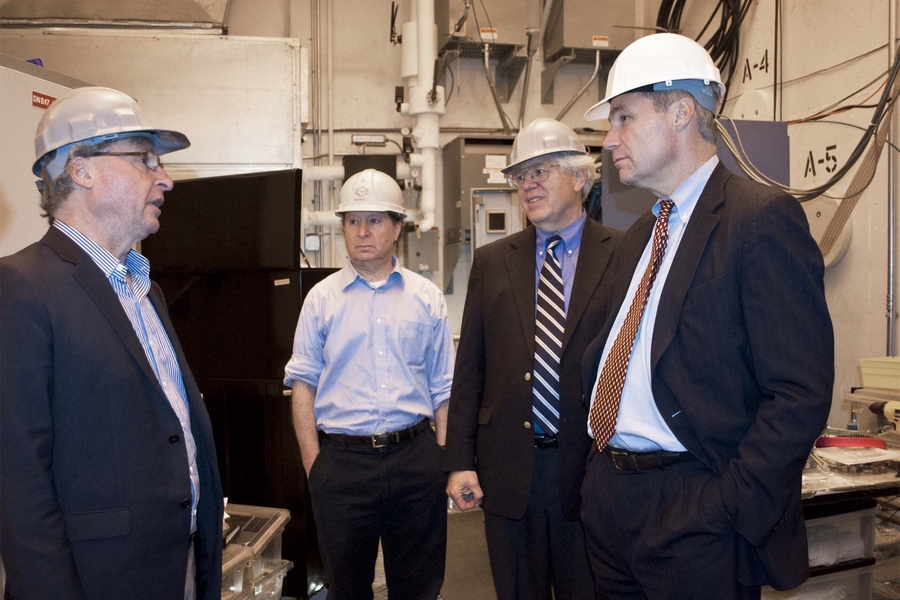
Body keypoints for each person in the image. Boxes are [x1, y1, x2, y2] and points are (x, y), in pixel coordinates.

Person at [580, 33, 834, 599]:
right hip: (611, 503)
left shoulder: (760, 220)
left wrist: (727, 507)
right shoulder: (640, 236)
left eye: (623, 117)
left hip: (696, 511)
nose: (609, 138)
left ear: (681, 112)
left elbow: (799, 392)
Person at [0, 87, 224, 599]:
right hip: (96, 581)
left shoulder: (146, 289)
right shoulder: (20, 287)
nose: (164, 177)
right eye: (145, 159)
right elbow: (17, 481)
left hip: (178, 567)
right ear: (81, 170)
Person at [444, 118, 622, 600]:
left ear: (581, 177)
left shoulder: (624, 255)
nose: (529, 184)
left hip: (590, 473)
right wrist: (461, 462)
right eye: (521, 176)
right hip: (508, 473)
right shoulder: (492, 261)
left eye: (541, 170)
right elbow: (469, 373)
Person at [284, 168, 454, 600]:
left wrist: (442, 461)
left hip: (416, 460)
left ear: (397, 227)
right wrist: (315, 468)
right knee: (347, 589)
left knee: (418, 587)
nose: (362, 232)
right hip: (341, 465)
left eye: (375, 220)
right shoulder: (320, 299)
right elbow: (302, 386)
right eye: (352, 221)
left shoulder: (427, 297)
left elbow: (443, 388)